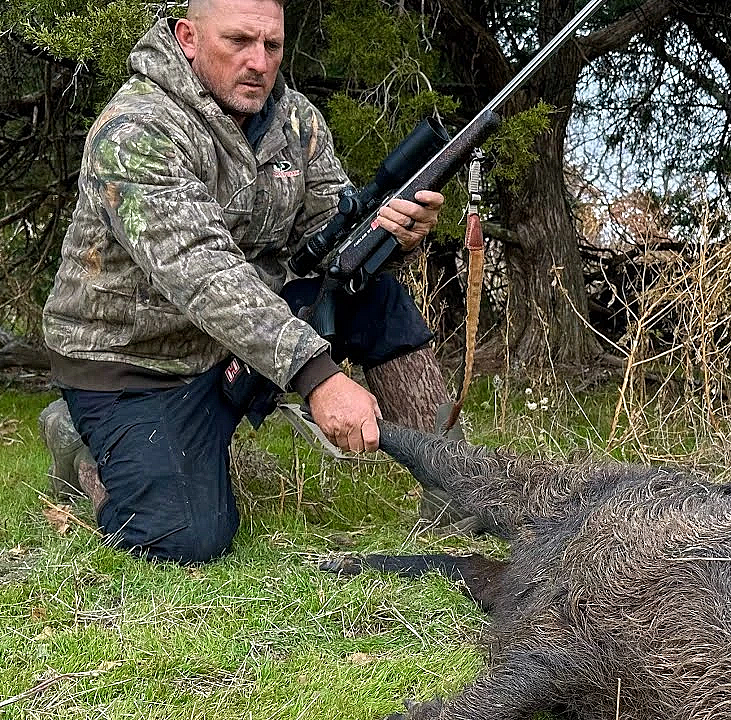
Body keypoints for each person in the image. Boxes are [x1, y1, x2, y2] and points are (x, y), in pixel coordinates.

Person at [39, 0, 450, 563]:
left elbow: (327, 232)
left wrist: (394, 236)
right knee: (182, 540)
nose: (258, 62)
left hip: (238, 336)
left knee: (369, 288)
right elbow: (203, 271)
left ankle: (455, 481)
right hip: (137, 364)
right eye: (238, 42)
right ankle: (85, 449)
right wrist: (316, 375)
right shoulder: (135, 128)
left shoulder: (296, 120)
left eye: (272, 46)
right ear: (188, 38)